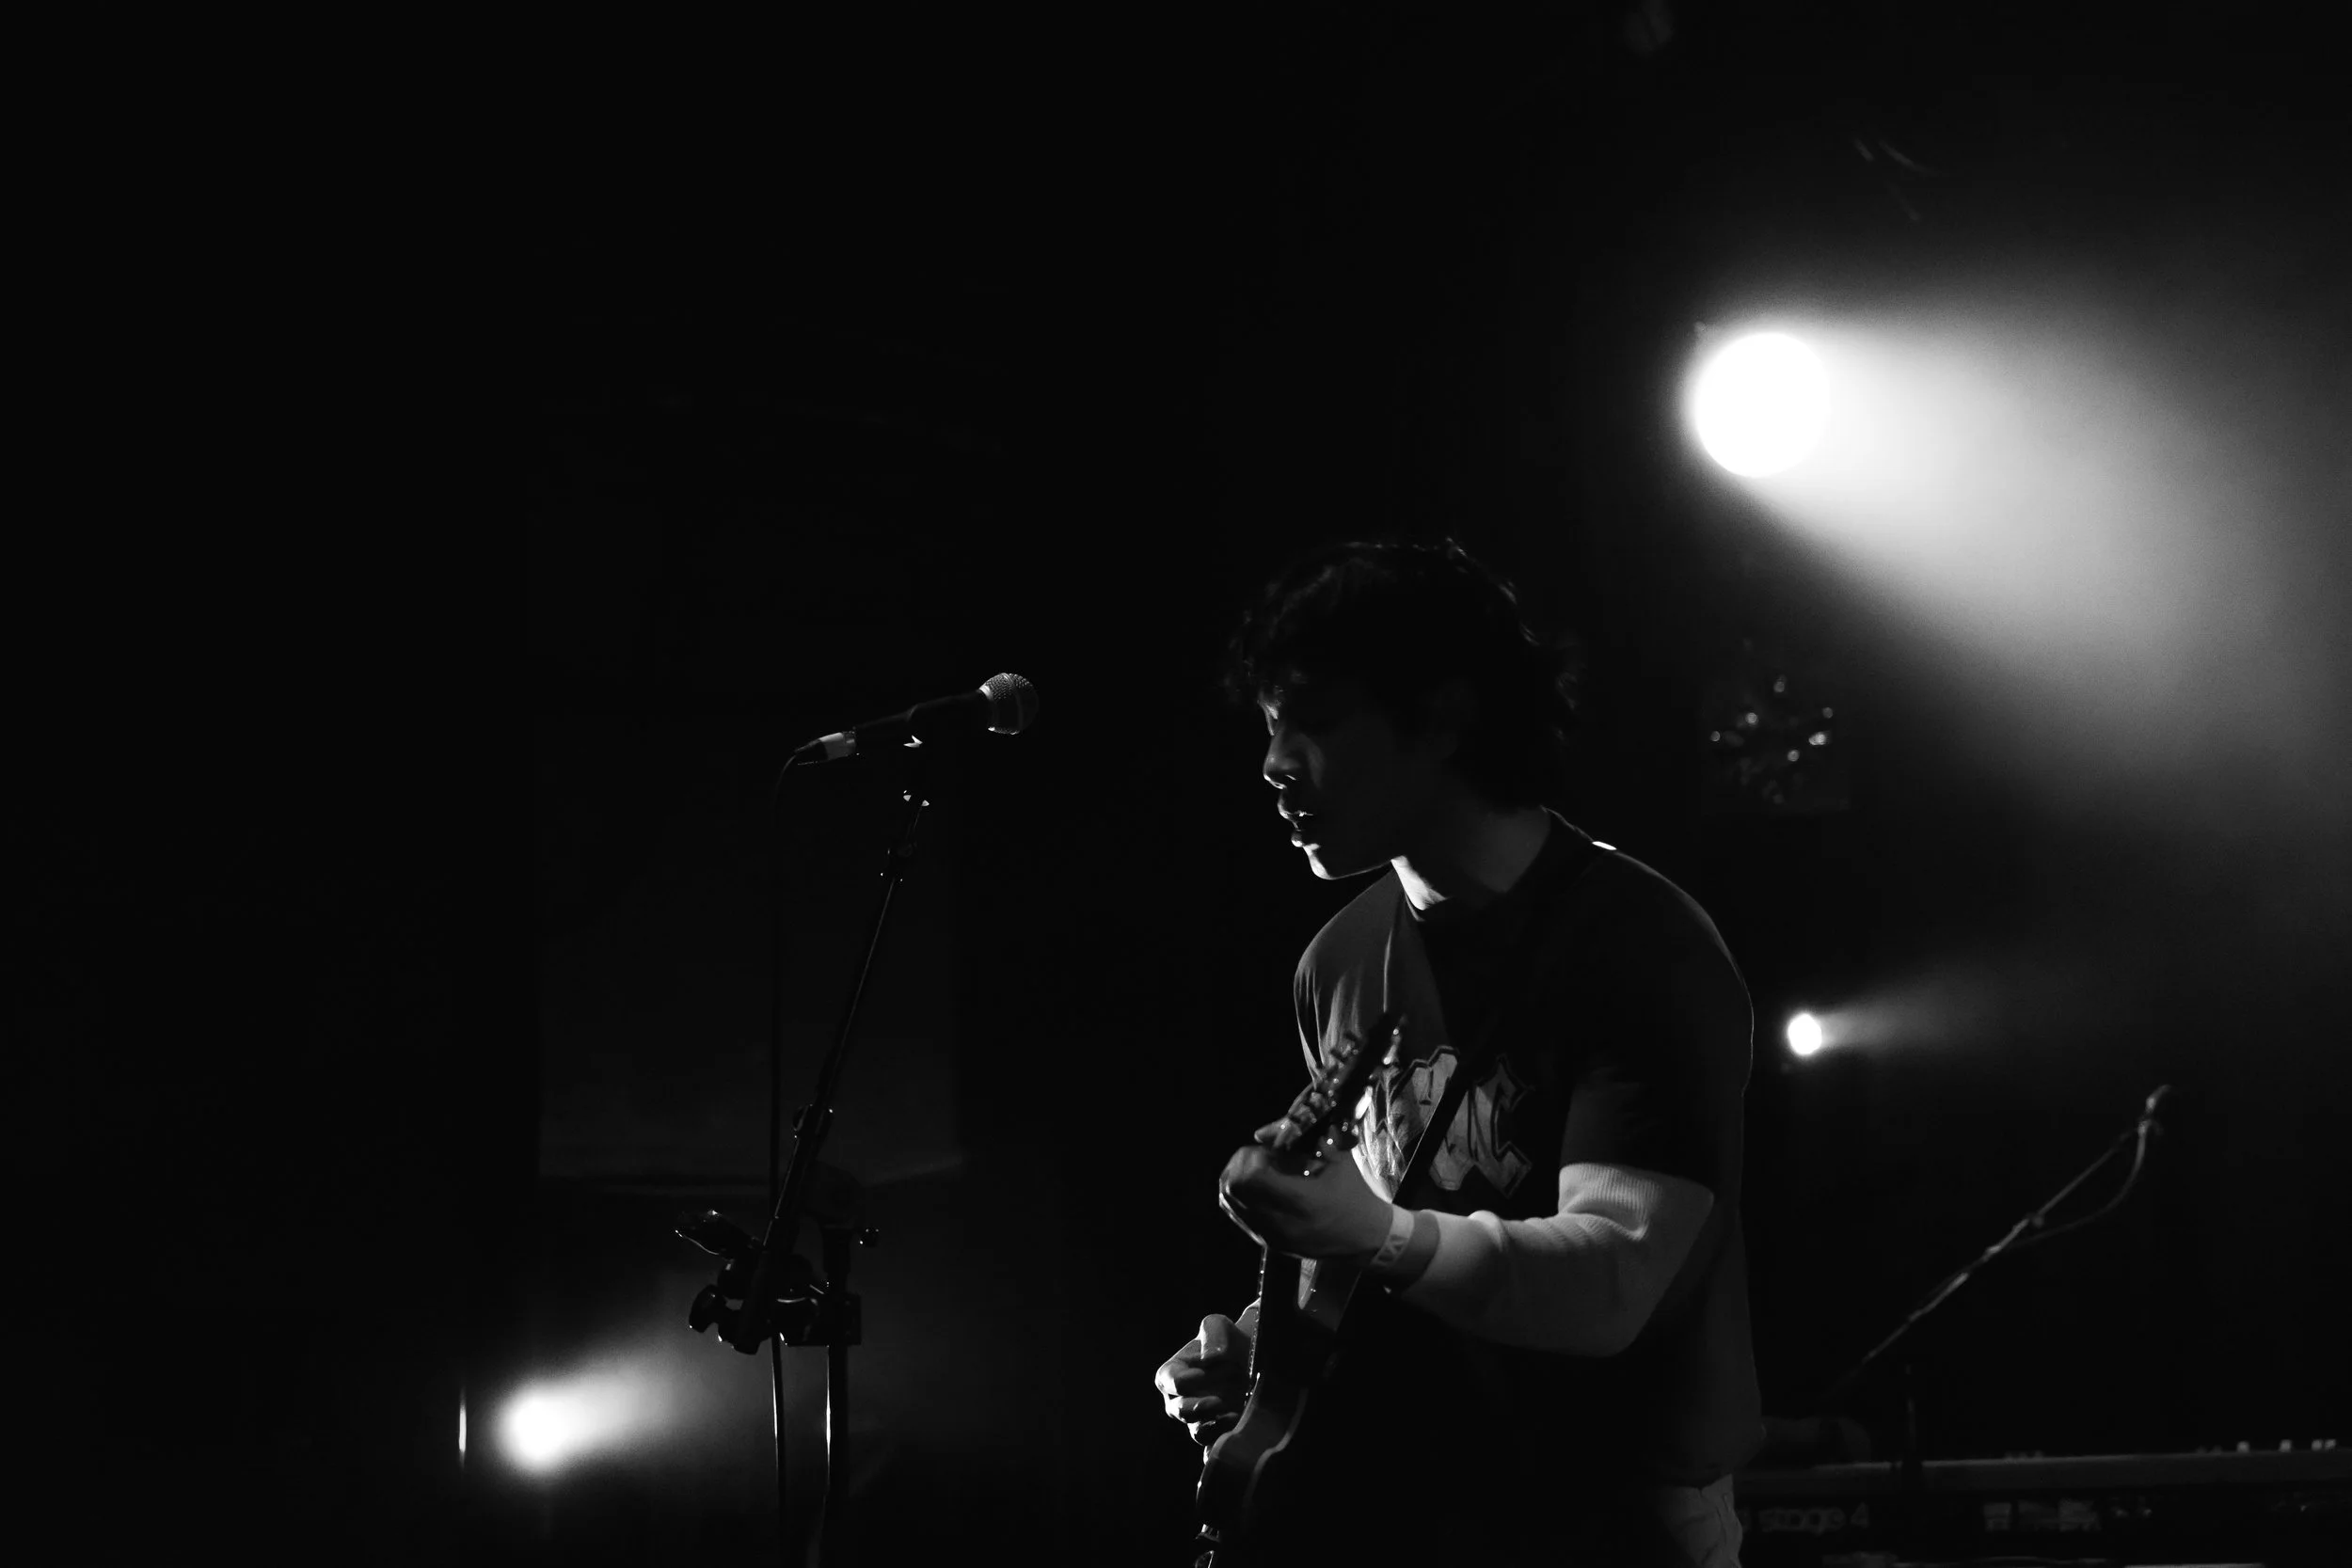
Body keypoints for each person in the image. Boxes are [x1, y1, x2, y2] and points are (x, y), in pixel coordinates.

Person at [1155, 538, 1761, 1566]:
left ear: (1440, 715)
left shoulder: (1644, 945)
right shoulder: (1335, 957)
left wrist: (1376, 1235)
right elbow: (1367, 1253)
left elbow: (1611, 1280)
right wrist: (1260, 1350)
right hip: (1416, 1506)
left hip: (1616, 1518)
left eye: (1315, 720)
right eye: (1269, 726)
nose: (1273, 764)